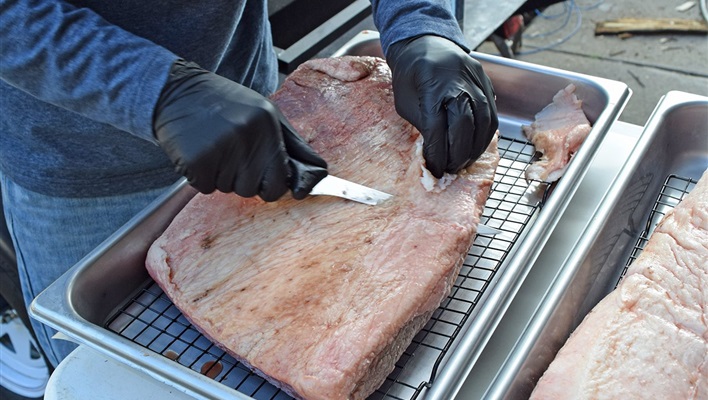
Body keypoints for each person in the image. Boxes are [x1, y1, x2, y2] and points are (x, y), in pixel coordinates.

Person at [0, 0, 498, 368]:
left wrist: (419, 23)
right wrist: (154, 90)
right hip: (83, 167)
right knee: (96, 369)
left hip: (262, 111)